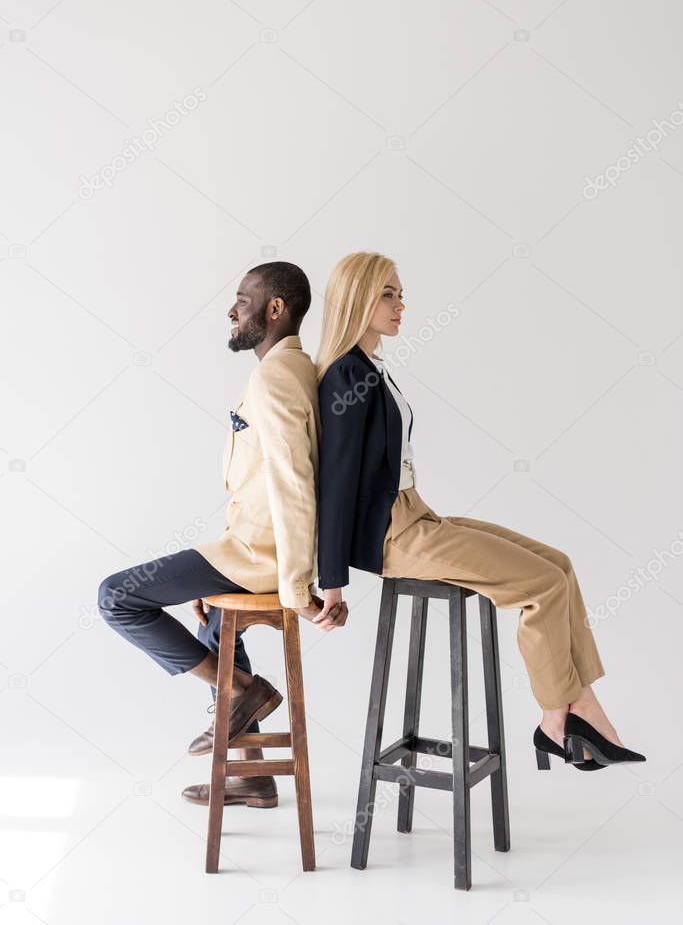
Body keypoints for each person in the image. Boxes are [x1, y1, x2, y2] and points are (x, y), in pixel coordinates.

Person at [314, 251, 644, 770]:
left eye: (401, 294)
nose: (402, 305)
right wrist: (330, 582)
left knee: (557, 563)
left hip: (414, 513)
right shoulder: (344, 376)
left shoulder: (369, 367)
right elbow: (334, 483)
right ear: (357, 298)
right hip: (392, 534)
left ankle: (578, 707)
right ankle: (559, 717)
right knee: (543, 585)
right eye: (388, 294)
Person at [98, 261, 347, 811]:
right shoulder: (292, 369)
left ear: (274, 308)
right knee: (214, 628)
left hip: (260, 553)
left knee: (116, 596)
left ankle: (242, 694)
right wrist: (210, 579)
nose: (232, 310)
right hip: (247, 545)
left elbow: (292, 481)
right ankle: (252, 777)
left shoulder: (278, 375)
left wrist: (297, 584)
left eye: (242, 299)